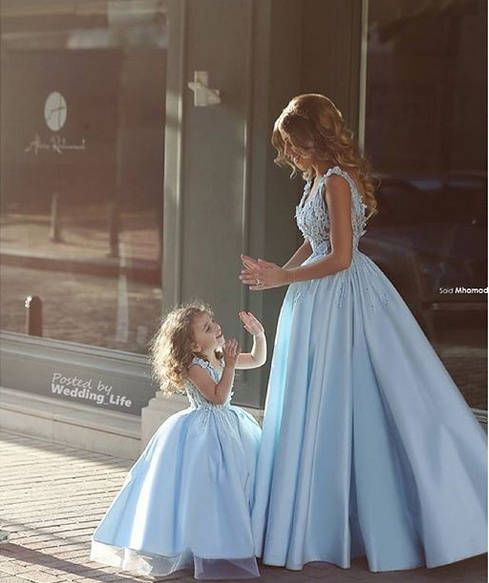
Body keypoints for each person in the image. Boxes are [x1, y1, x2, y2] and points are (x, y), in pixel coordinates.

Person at [239, 93, 487, 573]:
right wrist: (274, 272)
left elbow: (340, 258)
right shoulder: (314, 180)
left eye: (294, 144)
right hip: (313, 303)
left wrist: (284, 278)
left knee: (353, 403)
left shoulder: (335, 181)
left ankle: (420, 516)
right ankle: (316, 520)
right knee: (314, 404)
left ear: (315, 138)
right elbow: (315, 245)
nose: (289, 154)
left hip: (343, 302)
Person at [90, 302, 266, 580]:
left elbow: (257, 360)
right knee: (207, 491)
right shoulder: (194, 368)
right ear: (194, 346)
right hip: (204, 432)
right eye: (207, 328)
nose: (216, 327)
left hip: (231, 428)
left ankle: (242, 539)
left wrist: (258, 334)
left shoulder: (218, 355)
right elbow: (218, 397)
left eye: (212, 322)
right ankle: (203, 546)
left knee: (237, 484)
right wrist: (229, 365)